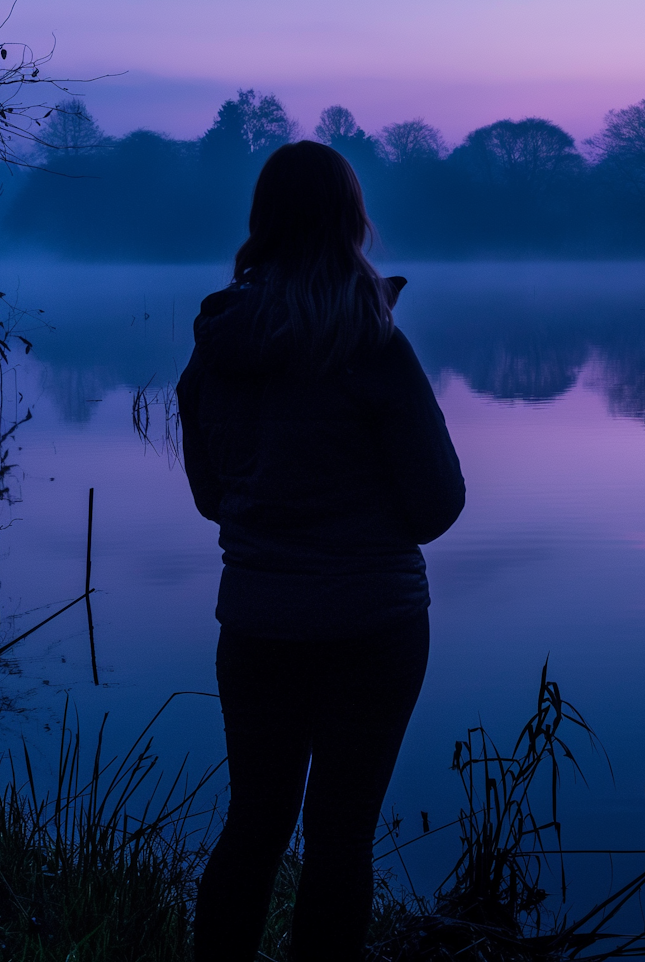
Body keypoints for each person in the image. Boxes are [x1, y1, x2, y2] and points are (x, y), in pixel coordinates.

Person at [177, 141, 466, 961]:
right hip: (373, 626)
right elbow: (438, 506)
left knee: (253, 827)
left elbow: (211, 499)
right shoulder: (372, 345)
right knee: (341, 839)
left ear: (261, 224)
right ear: (352, 223)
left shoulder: (214, 350)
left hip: (258, 621)